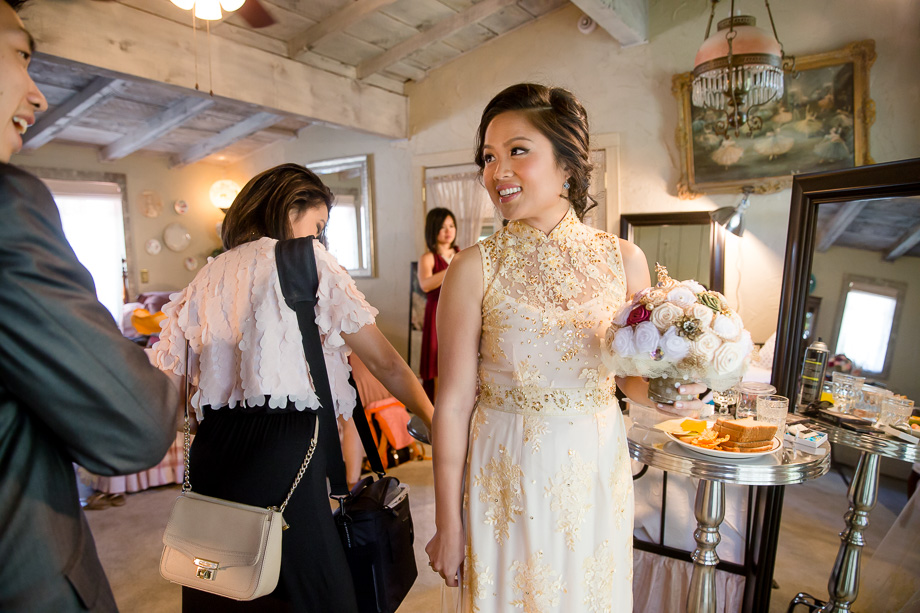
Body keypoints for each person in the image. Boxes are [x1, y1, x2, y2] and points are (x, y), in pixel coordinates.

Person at [425, 83, 704, 611]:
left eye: (518, 151)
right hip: (505, 468)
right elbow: (454, 403)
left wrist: (669, 390)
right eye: (488, 157)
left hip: (595, 466)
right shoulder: (471, 267)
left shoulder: (624, 258)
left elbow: (626, 376)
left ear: (568, 165)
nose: (497, 170)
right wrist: (447, 522)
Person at [151, 163, 434, 612]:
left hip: (214, 450)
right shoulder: (305, 259)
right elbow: (383, 359)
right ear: (290, 207)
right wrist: (432, 416)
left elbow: (174, 377)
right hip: (286, 446)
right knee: (314, 584)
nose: (319, 238)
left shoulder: (206, 276)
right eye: (317, 225)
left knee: (223, 572)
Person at [0, 1, 180, 610]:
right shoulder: (8, 206)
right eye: (20, 56)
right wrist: (173, 355)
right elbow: (136, 426)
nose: (37, 96)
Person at [418, 207, 459, 400]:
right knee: (437, 363)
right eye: (443, 227)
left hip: (460, 312)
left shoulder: (462, 253)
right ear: (433, 230)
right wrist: (452, 267)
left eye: (451, 226)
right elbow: (425, 285)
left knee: (458, 360)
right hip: (436, 312)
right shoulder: (428, 258)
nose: (448, 231)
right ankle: (436, 411)